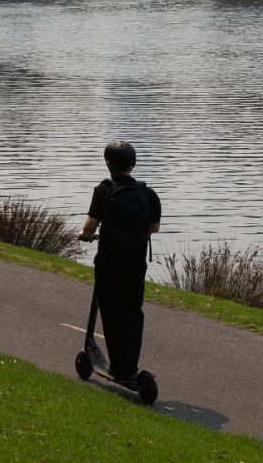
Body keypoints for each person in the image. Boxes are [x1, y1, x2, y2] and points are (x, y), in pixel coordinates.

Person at [78, 139, 161, 383]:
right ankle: (130, 366)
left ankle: (118, 368)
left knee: (111, 311)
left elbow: (91, 224)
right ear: (132, 164)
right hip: (135, 264)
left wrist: (84, 234)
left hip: (109, 263)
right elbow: (153, 228)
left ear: (109, 164)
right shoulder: (148, 194)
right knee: (133, 312)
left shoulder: (103, 190)